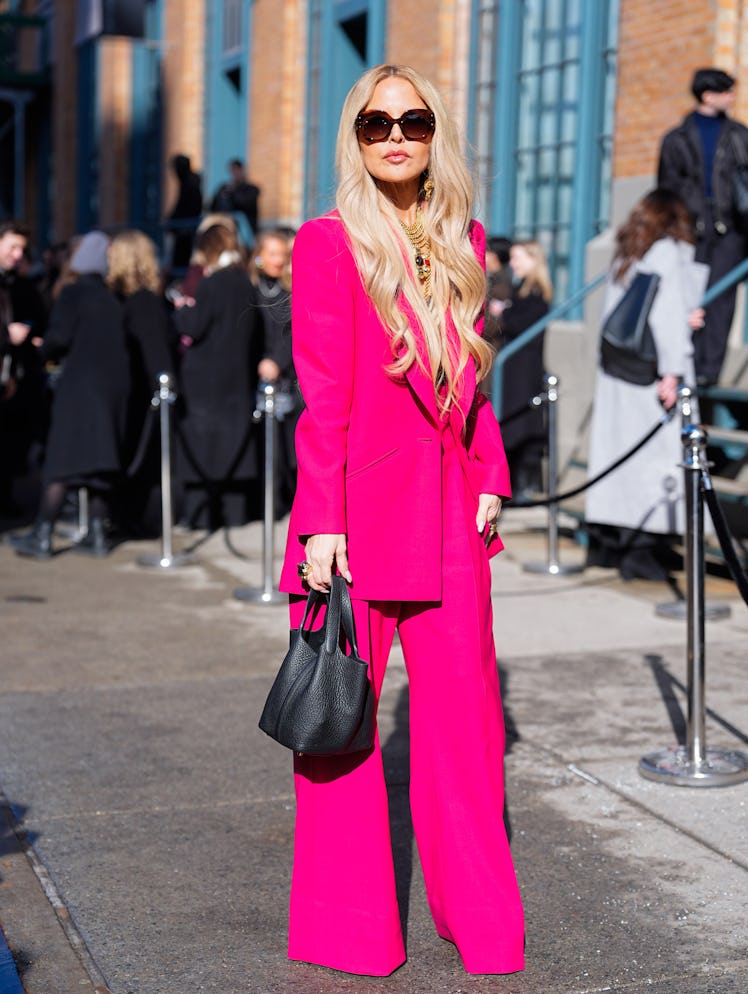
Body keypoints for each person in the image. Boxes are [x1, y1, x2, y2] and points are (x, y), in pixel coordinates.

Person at [276, 64, 524, 978]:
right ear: (356, 134)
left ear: (434, 135)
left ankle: (484, 927)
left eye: (413, 121)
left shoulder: (462, 238)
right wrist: (321, 525)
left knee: (466, 737)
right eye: (377, 121)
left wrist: (490, 469)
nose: (395, 135)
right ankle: (352, 935)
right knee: (339, 736)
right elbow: (325, 398)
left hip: (454, 520)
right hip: (352, 525)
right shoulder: (328, 243)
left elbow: (472, 375)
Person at [585, 189, 706, 581]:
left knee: (620, 456)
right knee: (653, 461)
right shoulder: (667, 252)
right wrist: (673, 371)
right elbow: (667, 315)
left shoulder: (628, 252)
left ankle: (609, 545)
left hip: (620, 370)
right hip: (652, 374)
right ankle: (642, 552)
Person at [7, 231, 130, 558]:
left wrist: (37, 346)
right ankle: (97, 536)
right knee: (99, 462)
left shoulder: (73, 294)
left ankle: (42, 534)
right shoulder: (112, 298)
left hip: (79, 387)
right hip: (112, 389)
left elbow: (58, 339)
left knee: (62, 461)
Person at [657, 68, 748, 386]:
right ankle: (686, 362)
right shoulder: (676, 139)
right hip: (689, 230)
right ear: (708, 95)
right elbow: (665, 189)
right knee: (688, 298)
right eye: (727, 91)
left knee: (722, 300)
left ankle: (710, 369)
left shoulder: (739, 134)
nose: (732, 97)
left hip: (731, 228)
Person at [172, 223, 263, 529]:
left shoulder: (213, 283)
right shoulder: (245, 282)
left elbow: (194, 326)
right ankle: (235, 517)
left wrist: (180, 310)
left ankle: (200, 519)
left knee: (203, 449)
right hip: (237, 376)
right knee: (234, 447)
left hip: (206, 378)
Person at [107, 230, 176, 535]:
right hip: (137, 393)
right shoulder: (139, 301)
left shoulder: (131, 302)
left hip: (135, 393)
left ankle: (131, 519)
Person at [0, 220, 48, 516]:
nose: (18, 254)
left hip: (11, 378)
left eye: (22, 248)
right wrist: (7, 336)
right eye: (13, 246)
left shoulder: (17, 285)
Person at [496, 240, 552, 495]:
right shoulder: (522, 289)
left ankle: (522, 487)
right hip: (515, 367)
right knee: (511, 425)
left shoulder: (537, 292)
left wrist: (503, 314)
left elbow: (522, 322)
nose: (514, 264)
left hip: (523, 368)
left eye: (518, 258)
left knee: (520, 425)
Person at [251, 229, 298, 516]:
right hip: (257, 377)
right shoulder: (251, 289)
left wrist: (276, 362)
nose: (278, 260)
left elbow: (291, 335)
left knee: (285, 445)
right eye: (273, 253)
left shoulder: (289, 291)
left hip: (283, 378)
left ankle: (282, 500)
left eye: (283, 254)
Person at [166, 153, 203, 272]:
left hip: (186, 229)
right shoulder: (186, 183)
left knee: (182, 261)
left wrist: (174, 220)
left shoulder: (190, 184)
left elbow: (187, 207)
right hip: (182, 227)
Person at [210, 158, 260, 241]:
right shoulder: (224, 189)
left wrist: (233, 192)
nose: (235, 173)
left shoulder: (251, 189)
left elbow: (245, 204)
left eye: (237, 170)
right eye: (232, 170)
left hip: (245, 233)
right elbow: (214, 207)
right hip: (225, 229)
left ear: (242, 170)